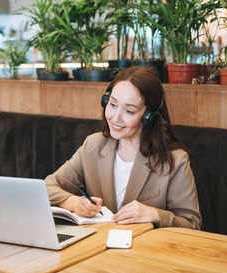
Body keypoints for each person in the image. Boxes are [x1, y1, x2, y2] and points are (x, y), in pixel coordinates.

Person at [45, 66, 201, 229]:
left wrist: (154, 215)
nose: (115, 117)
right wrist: (74, 202)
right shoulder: (93, 145)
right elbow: (47, 187)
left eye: (129, 111)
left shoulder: (176, 160)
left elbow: (192, 224)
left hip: (144, 250)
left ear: (149, 116)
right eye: (112, 105)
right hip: (97, 247)